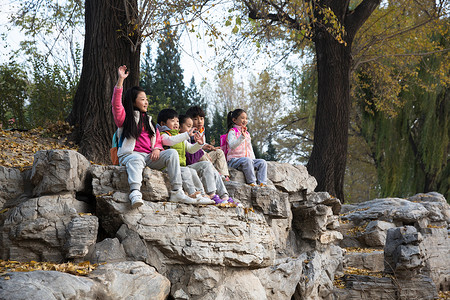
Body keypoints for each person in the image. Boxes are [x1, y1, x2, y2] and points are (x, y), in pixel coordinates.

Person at [111, 65, 197, 208]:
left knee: (172, 153)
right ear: (133, 102)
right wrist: (120, 80)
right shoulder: (125, 118)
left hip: (149, 157)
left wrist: (157, 149)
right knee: (137, 159)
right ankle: (135, 192)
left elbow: (157, 139)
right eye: (142, 99)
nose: (146, 102)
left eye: (146, 99)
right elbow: (116, 105)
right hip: (131, 155)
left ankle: (177, 190)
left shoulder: (150, 121)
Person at [156, 109, 214, 205]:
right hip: (169, 168)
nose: (176, 123)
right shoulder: (163, 135)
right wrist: (186, 135)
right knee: (186, 171)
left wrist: (199, 144)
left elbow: (190, 149)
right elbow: (170, 141)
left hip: (182, 167)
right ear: (162, 124)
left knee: (193, 171)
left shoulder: (180, 136)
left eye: (177, 121)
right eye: (172, 120)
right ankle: (192, 193)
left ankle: (201, 195)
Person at [185, 106, 230, 181]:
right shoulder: (188, 132)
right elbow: (189, 148)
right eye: (195, 119)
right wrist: (203, 150)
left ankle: (224, 175)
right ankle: (215, 174)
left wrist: (208, 146)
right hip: (193, 159)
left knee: (219, 152)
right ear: (189, 120)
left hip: (203, 157)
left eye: (201, 119)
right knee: (202, 153)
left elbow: (202, 144)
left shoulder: (202, 131)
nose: (200, 121)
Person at [226, 109, 267, 187]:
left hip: (247, 160)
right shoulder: (232, 132)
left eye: (246, 118)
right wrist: (241, 137)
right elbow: (232, 145)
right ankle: (252, 182)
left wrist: (253, 160)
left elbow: (250, 148)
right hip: (234, 160)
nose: (245, 120)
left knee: (262, 162)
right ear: (234, 120)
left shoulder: (247, 133)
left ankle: (262, 183)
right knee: (247, 160)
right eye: (242, 118)